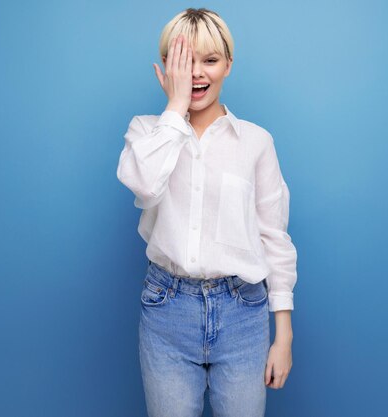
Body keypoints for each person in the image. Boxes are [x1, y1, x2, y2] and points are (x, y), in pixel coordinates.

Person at [117, 7, 297, 417]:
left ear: (229, 65)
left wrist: (282, 334)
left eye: (210, 60)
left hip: (243, 313)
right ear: (166, 66)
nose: (198, 73)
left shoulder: (256, 142)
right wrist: (176, 107)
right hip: (167, 312)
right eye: (185, 60)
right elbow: (144, 185)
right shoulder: (146, 132)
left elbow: (275, 237)